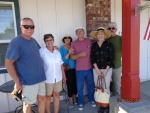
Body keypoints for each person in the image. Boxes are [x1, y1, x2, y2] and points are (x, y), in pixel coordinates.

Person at [5, 17, 46, 113]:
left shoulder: (33, 40)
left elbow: (41, 52)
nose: (29, 29)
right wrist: (17, 82)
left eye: (32, 27)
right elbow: (8, 64)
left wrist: (52, 48)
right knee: (27, 105)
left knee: (42, 100)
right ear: (21, 27)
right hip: (28, 81)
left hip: (40, 78)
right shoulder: (16, 42)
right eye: (26, 26)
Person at [39, 34, 66, 113]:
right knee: (48, 97)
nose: (49, 42)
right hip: (47, 78)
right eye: (47, 40)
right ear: (44, 42)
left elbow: (61, 64)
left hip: (58, 77)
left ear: (53, 41)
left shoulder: (57, 52)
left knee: (57, 95)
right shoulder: (42, 51)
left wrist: (64, 75)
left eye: (50, 40)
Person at [70, 27, 96, 111]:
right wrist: (80, 55)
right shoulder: (73, 43)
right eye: (78, 31)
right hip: (79, 69)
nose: (80, 32)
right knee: (80, 87)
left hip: (89, 68)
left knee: (91, 85)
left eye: (81, 31)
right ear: (76, 34)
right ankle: (80, 102)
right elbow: (72, 57)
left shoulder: (89, 41)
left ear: (84, 32)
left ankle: (92, 100)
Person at [60, 35, 77, 108]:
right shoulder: (61, 48)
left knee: (75, 84)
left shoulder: (73, 46)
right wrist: (69, 53)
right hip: (68, 69)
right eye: (65, 38)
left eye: (69, 38)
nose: (67, 39)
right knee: (69, 85)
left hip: (76, 68)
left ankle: (75, 98)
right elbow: (62, 60)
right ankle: (70, 100)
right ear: (64, 40)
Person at [107, 22, 122, 95]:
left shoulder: (120, 38)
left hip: (117, 65)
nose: (111, 30)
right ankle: (106, 100)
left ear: (116, 29)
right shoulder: (105, 39)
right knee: (106, 83)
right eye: (109, 28)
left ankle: (117, 101)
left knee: (116, 83)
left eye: (113, 28)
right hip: (107, 66)